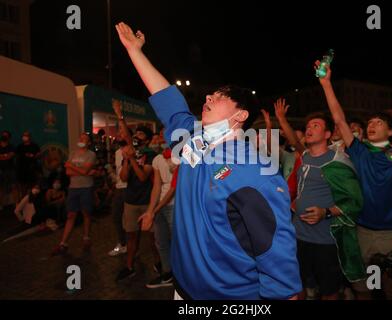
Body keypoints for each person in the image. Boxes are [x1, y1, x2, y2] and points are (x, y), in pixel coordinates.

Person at [116, 21, 301, 299]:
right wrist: (134, 52)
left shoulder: (256, 171)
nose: (209, 96)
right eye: (212, 93)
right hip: (184, 288)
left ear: (240, 117)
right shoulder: (190, 137)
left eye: (222, 96)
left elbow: (276, 254)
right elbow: (168, 99)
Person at [317, 61, 392, 300]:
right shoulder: (360, 151)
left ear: (391, 132)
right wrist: (326, 83)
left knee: (391, 288)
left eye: (379, 122)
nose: (371, 125)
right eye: (370, 122)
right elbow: (339, 119)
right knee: (365, 288)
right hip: (363, 231)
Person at [293, 112, 365, 300]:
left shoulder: (337, 162)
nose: (309, 129)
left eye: (315, 125)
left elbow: (355, 201)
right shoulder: (304, 157)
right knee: (295, 284)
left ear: (327, 134)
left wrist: (326, 212)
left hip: (325, 240)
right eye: (308, 126)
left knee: (329, 290)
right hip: (298, 236)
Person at [115, 121, 156, 281]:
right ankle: (129, 266)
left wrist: (131, 159)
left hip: (147, 202)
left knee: (153, 238)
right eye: (136, 133)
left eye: (140, 134)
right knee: (131, 235)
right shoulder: (130, 152)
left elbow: (143, 176)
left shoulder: (150, 154)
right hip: (130, 201)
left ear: (146, 140)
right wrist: (126, 160)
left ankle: (160, 264)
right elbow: (124, 178)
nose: (136, 136)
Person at [52, 133, 97, 255]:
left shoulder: (91, 155)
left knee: (86, 213)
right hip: (73, 188)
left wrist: (73, 167)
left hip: (86, 188)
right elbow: (67, 172)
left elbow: (81, 169)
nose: (81, 140)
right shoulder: (73, 153)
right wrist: (84, 172)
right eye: (80, 138)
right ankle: (63, 243)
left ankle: (86, 237)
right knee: (71, 215)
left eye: (84, 139)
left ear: (89, 143)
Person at [143, 137, 176, 288]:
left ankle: (182, 276)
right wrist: (150, 210)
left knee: (178, 242)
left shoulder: (181, 157)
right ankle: (167, 273)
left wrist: (153, 211)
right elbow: (157, 186)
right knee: (160, 241)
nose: (160, 141)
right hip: (161, 206)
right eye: (158, 138)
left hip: (175, 205)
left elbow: (173, 188)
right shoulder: (157, 159)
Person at [108, 127, 132, 257]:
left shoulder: (132, 151)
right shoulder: (117, 152)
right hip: (119, 187)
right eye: (119, 134)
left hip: (129, 188)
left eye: (122, 133)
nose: (119, 135)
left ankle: (131, 245)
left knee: (129, 219)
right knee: (116, 216)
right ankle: (123, 243)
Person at [16, 131, 41, 198]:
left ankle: (32, 200)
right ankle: (23, 202)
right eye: (24, 135)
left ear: (29, 137)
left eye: (26, 135)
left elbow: (39, 154)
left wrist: (33, 156)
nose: (25, 137)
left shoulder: (34, 146)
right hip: (22, 170)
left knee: (32, 187)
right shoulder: (19, 146)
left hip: (32, 169)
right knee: (23, 188)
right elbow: (17, 156)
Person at [0, 131, 15, 210]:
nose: (4, 137)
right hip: (1, 170)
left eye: (5, 136)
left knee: (13, 186)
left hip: (10, 170)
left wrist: (3, 156)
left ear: (9, 137)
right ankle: (1, 204)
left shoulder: (11, 146)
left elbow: (10, 156)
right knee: (1, 188)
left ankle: (15, 205)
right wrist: (6, 155)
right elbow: (7, 156)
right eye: (3, 135)